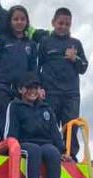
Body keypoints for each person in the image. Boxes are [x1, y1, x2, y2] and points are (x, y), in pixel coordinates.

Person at [5, 72, 67, 178]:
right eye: (29, 87)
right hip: (24, 143)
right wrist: (11, 147)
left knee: (53, 152)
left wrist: (63, 151)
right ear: (21, 89)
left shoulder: (46, 109)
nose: (33, 91)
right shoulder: (15, 106)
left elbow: (55, 132)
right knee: (34, 151)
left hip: (45, 144)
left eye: (36, 87)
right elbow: (10, 132)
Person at [38, 7, 88, 161]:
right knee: (48, 124)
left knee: (71, 126)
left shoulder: (76, 44)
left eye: (67, 24)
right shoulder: (45, 42)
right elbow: (36, 65)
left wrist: (75, 59)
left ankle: (70, 154)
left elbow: (84, 67)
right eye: (60, 23)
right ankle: (50, 153)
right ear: (53, 23)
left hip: (70, 93)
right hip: (50, 91)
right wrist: (39, 87)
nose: (63, 26)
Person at [0, 5, 38, 139]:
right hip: (1, 87)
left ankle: (17, 149)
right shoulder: (2, 39)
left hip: (21, 90)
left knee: (20, 120)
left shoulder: (31, 44)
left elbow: (33, 70)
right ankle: (2, 146)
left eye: (22, 19)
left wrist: (36, 88)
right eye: (15, 19)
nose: (19, 22)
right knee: (2, 121)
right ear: (10, 21)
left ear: (27, 22)